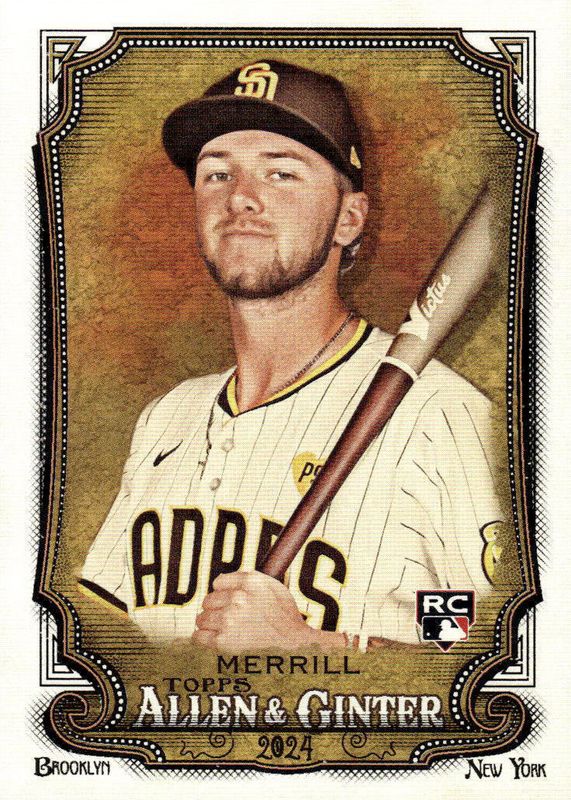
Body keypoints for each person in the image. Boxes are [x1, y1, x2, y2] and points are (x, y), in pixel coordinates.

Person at [80, 60, 504, 651]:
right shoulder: (167, 418)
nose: (241, 198)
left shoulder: (438, 414)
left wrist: (310, 645)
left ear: (348, 219)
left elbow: (491, 637)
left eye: (281, 173)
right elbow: (106, 633)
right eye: (217, 173)